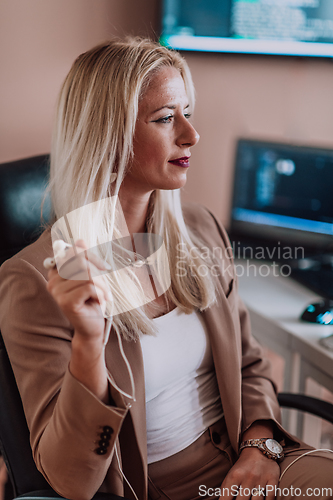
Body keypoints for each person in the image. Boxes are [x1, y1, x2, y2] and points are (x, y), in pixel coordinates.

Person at [0, 38, 332, 500]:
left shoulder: (200, 228)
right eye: (165, 119)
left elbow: (250, 364)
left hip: (252, 456)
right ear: (108, 134)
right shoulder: (32, 280)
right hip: (162, 485)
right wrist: (89, 344)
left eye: (187, 112)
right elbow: (70, 480)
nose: (191, 135)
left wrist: (261, 447)